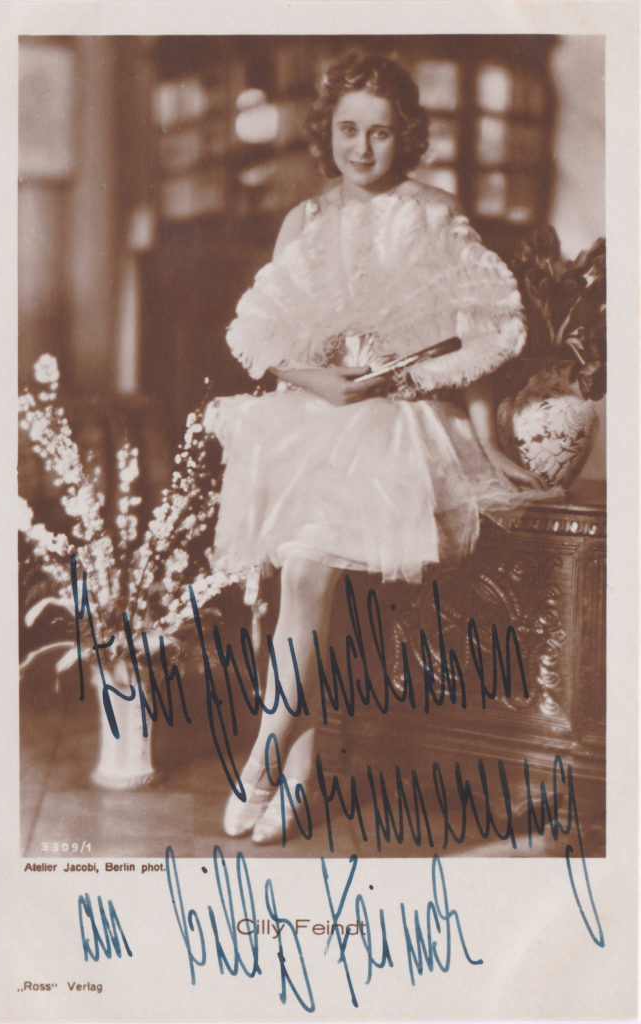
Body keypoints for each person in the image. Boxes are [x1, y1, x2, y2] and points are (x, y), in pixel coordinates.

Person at [204, 51, 545, 844]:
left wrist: (487, 440)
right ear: (326, 132)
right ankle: (296, 777)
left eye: (380, 132)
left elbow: (478, 334)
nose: (362, 148)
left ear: (405, 135)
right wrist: (319, 382)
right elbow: (265, 336)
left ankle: (263, 757)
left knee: (307, 575)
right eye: (348, 129)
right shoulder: (305, 219)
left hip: (394, 425)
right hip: (310, 418)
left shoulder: (434, 212)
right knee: (301, 580)